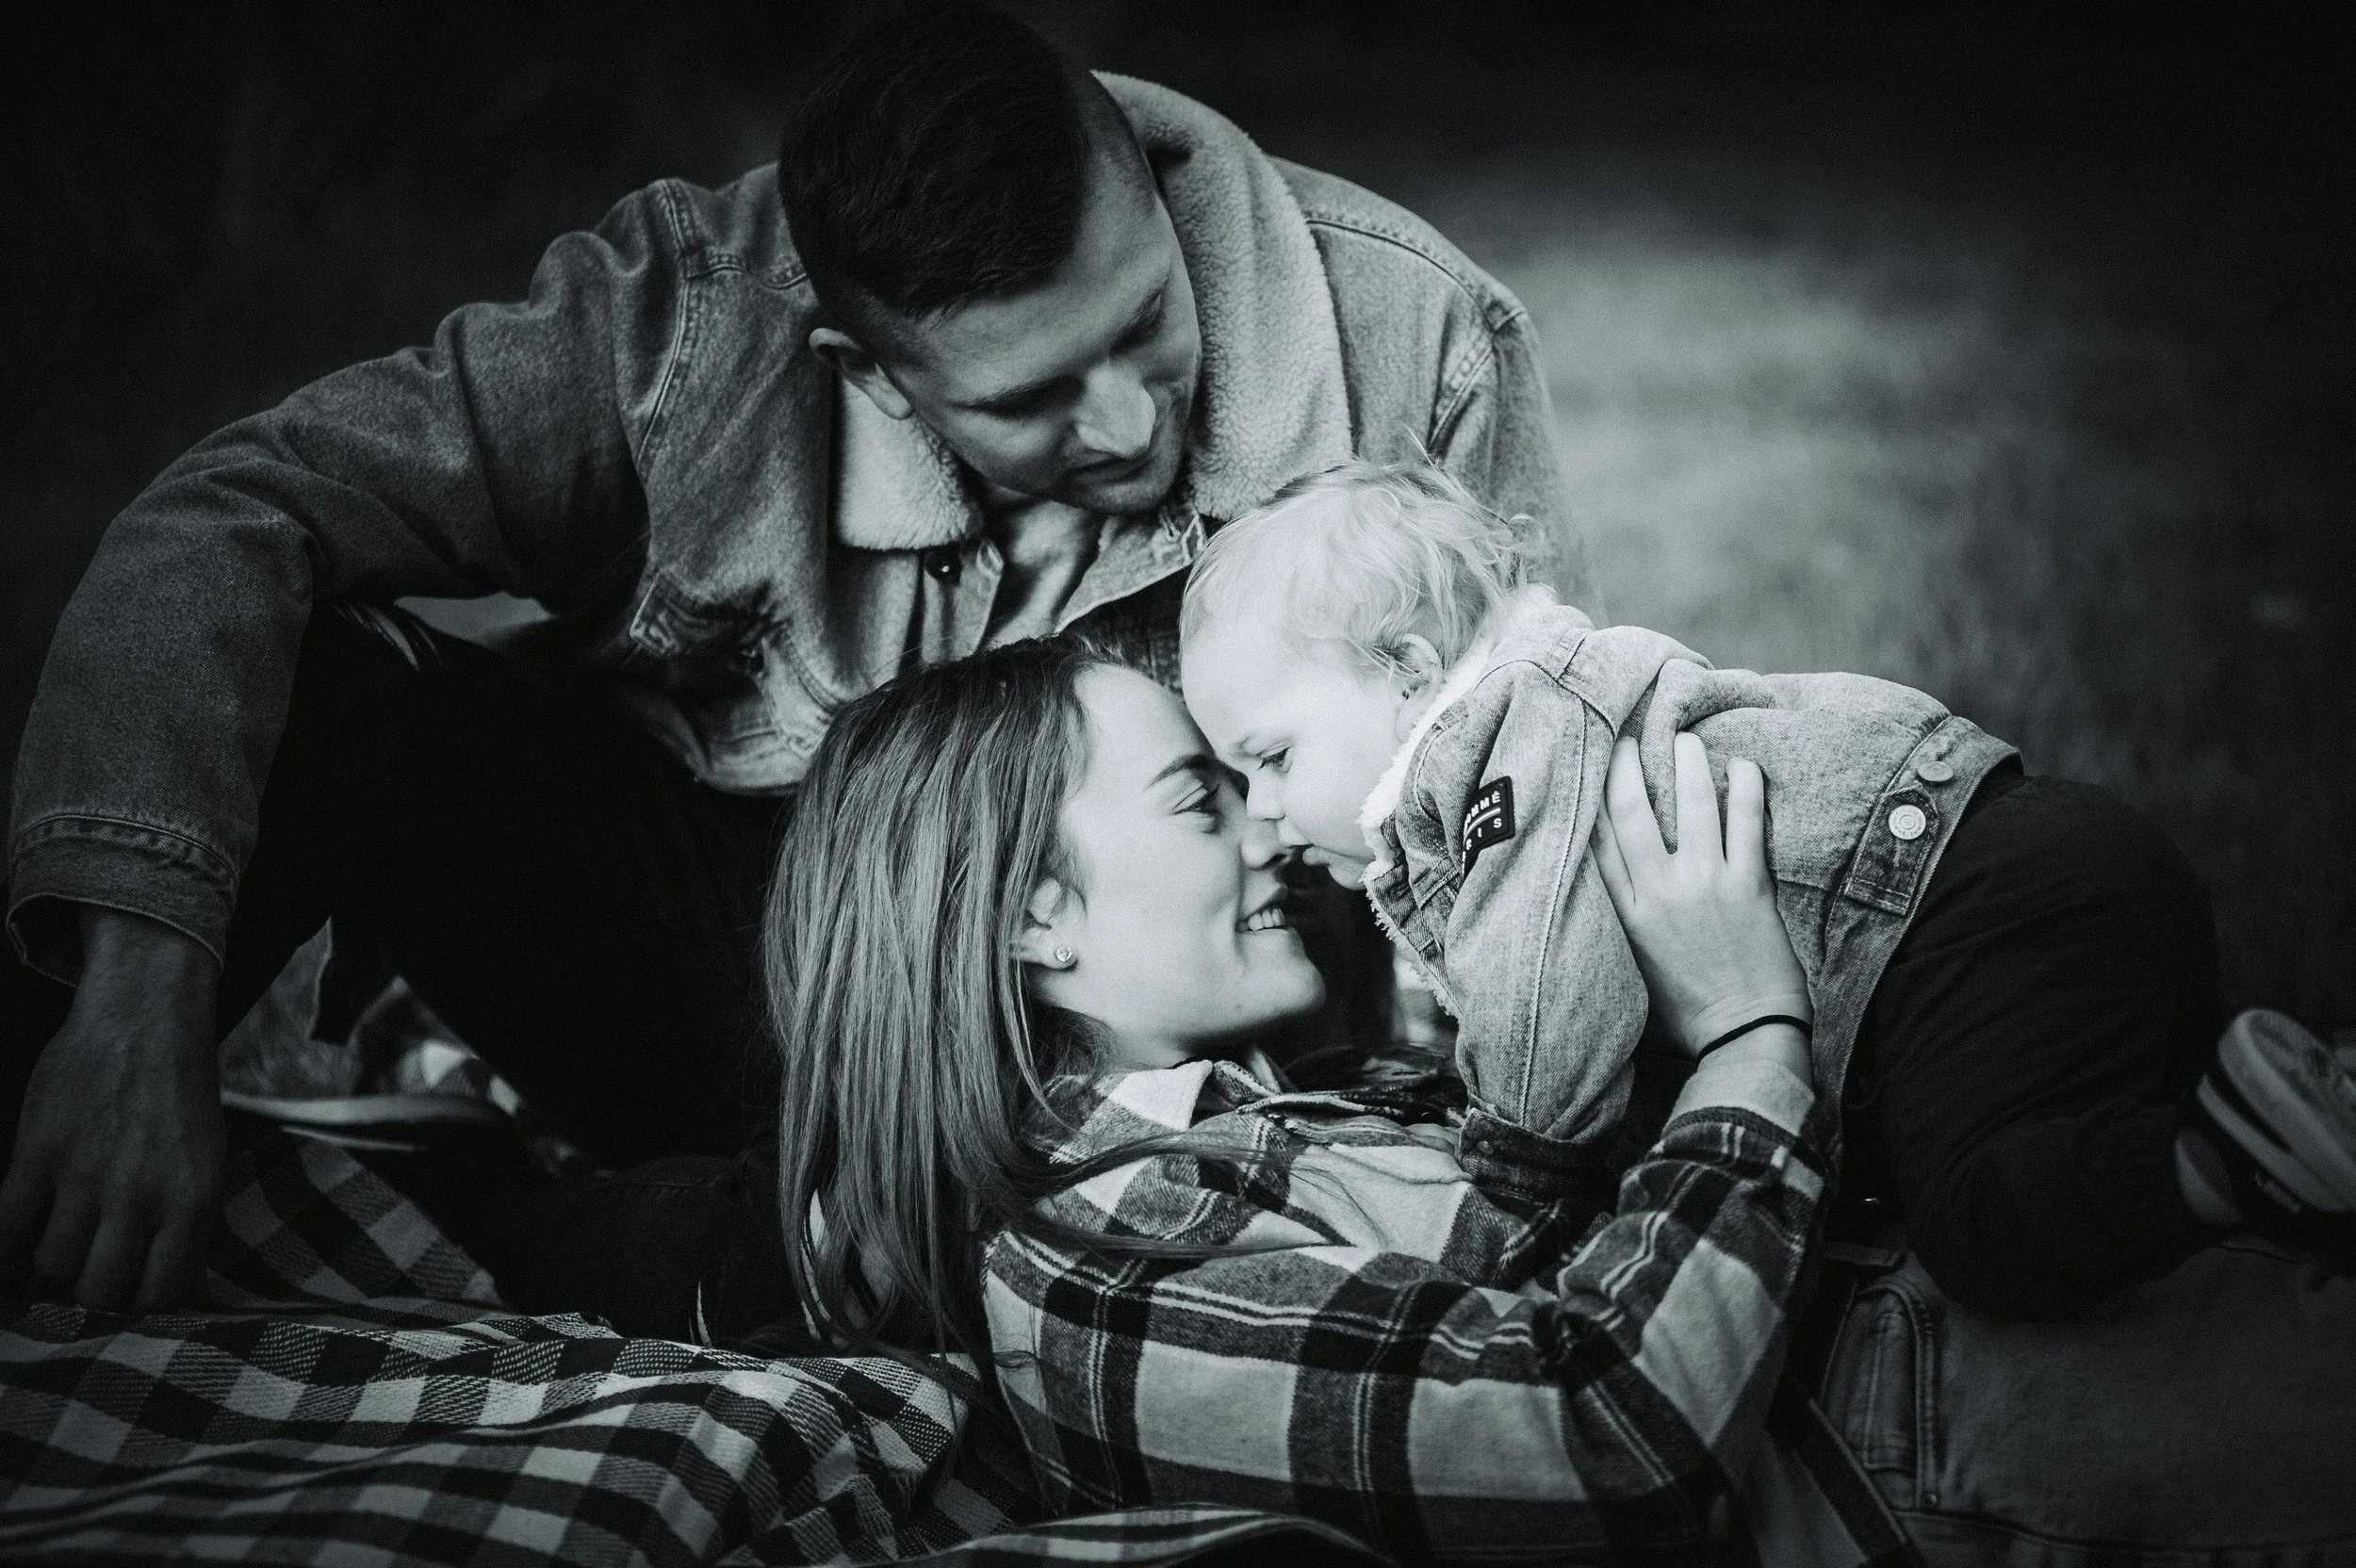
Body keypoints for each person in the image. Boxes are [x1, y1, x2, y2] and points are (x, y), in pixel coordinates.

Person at [0, 1, 1583, 1315]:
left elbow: (1513, 779)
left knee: (953, 1253)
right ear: (871, 377)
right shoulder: (675, 336)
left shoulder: (1420, 336)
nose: (1130, 423)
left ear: (1153, 204)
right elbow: (232, 516)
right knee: (325, 695)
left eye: (1144, 323)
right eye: (1033, 395)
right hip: (743, 959)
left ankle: (641, 1243)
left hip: (1172, 1030)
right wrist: (136, 990)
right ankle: (92, 1143)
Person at [761, 635, 1904, 1566]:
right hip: (1898, 1475)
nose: (1275, 830)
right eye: (1197, 803)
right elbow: (1602, 1439)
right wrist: (1748, 1033)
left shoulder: (1249, 1118)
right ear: (1032, 916)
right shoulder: (1088, 1259)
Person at [1177, 458, 2356, 1319]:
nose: (1263, 813)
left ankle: (2225, 1146)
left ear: (1411, 674)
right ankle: (2282, 1121)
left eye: (1269, 758)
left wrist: (1512, 1176)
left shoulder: (1496, 758)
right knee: (2153, 1199)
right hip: (2019, 878)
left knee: (1992, 1233)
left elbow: (1549, 991)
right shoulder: (1539, 711)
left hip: (1958, 922)